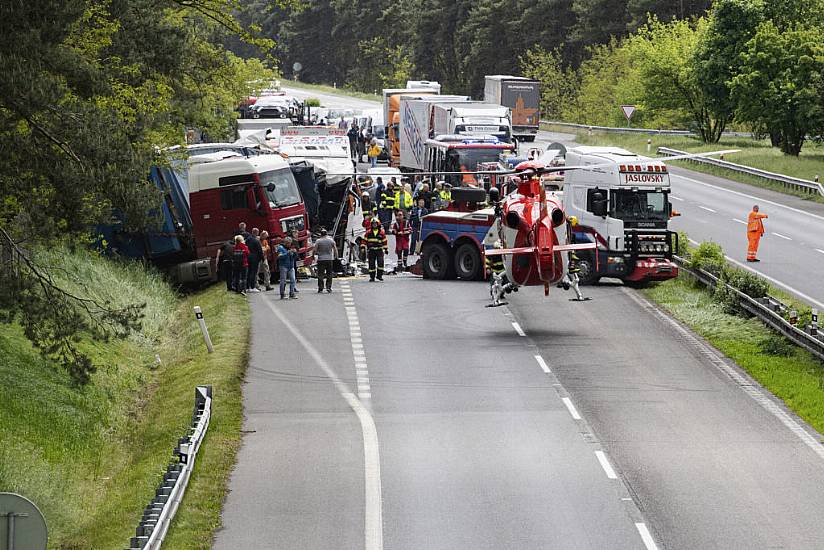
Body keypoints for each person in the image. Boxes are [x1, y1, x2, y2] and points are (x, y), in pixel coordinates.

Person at [313, 228, 338, 293]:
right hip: (329, 259)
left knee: (320, 274)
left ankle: (320, 288)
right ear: (326, 234)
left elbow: (315, 250)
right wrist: (336, 257)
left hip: (321, 259)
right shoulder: (331, 240)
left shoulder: (318, 241)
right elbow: (335, 249)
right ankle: (328, 287)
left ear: (320, 234)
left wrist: (313, 255)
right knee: (329, 274)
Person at [245, 228, 263, 292]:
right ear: (256, 233)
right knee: (253, 273)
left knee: (249, 272)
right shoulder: (256, 241)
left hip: (248, 258)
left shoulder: (247, 240)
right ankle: (253, 287)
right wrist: (262, 258)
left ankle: (247, 287)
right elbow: (260, 250)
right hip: (255, 259)